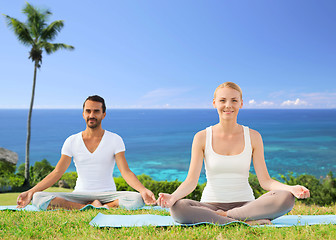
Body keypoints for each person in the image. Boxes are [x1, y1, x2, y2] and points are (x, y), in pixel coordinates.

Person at [157, 82, 310, 225]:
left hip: (247, 205)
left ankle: (227, 219)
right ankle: (245, 221)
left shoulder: (254, 136)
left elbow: (266, 181)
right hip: (210, 206)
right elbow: (191, 181)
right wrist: (173, 197)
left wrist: (291, 188)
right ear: (214, 103)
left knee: (286, 198)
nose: (228, 105)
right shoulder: (201, 137)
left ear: (241, 104)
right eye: (222, 100)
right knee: (179, 208)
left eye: (234, 101)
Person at [17, 95, 156, 210]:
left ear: (103, 114)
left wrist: (143, 190)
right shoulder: (71, 141)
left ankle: (94, 206)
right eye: (88, 111)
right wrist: (30, 191)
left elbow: (125, 172)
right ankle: (91, 206)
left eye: (96, 111)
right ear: (83, 114)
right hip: (79, 194)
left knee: (137, 199)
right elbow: (57, 172)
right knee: (38, 197)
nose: (92, 115)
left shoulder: (115, 139)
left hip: (108, 194)